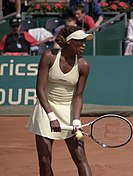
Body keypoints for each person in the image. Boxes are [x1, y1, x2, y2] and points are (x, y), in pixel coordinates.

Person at [26, 26, 93, 176]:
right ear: (69, 42)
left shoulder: (84, 65)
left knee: (80, 157)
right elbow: (40, 90)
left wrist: (76, 120)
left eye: (84, 41)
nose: (84, 45)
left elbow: (78, 96)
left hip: (69, 111)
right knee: (44, 161)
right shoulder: (49, 56)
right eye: (80, 41)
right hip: (45, 110)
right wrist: (51, 117)